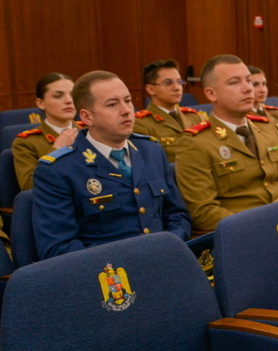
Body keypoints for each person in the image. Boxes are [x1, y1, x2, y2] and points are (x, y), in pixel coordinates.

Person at [32, 70, 190, 259]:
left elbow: (177, 215)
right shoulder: (59, 169)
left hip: (166, 258)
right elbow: (58, 247)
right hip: (109, 276)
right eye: (112, 104)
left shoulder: (151, 150)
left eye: (128, 100)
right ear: (87, 117)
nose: (126, 110)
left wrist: (170, 246)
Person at [174, 54, 278, 233]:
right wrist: (262, 226)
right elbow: (203, 212)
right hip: (243, 234)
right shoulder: (195, 143)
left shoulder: (266, 128)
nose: (247, 89)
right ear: (211, 93)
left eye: (249, 81)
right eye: (234, 82)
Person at [12, 73, 80, 190]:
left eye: (73, 95)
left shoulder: (92, 132)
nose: (69, 101)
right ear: (41, 103)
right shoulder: (27, 143)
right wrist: (57, 150)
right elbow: (29, 187)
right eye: (58, 96)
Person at [132, 59, 203, 161]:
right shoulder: (140, 124)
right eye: (168, 83)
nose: (177, 87)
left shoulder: (193, 116)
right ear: (151, 89)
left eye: (179, 82)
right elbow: (149, 164)